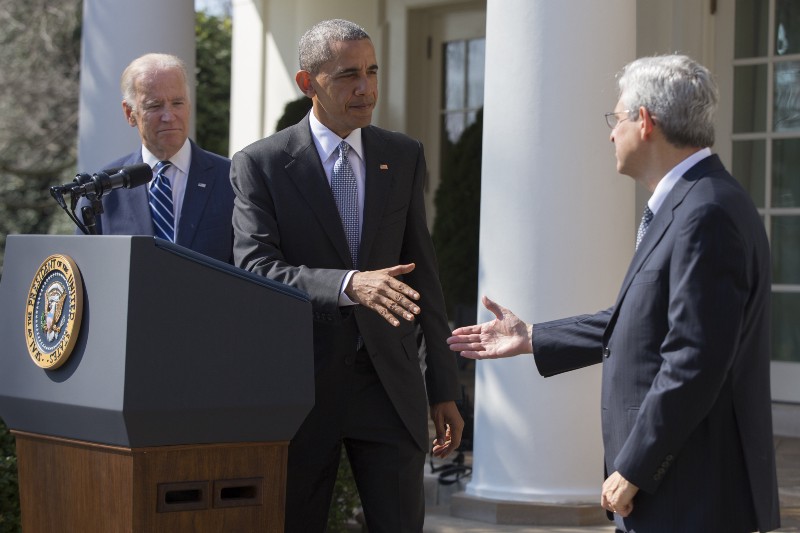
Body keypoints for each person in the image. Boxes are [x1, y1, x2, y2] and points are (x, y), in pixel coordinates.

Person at [447, 54, 780, 533]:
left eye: (617, 118)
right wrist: (533, 336)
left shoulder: (706, 212)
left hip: (693, 494)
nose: (611, 133)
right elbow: (642, 319)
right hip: (680, 493)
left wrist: (635, 466)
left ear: (645, 122)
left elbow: (695, 358)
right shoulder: (693, 202)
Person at [229, 19, 463, 532]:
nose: (367, 88)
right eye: (348, 75)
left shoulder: (402, 155)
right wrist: (347, 284)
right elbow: (255, 267)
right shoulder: (260, 165)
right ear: (307, 83)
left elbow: (424, 272)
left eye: (373, 71)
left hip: (389, 384)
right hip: (302, 386)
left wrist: (443, 386)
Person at [76, 53, 234, 263]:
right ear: (129, 113)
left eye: (177, 103)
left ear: (188, 105)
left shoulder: (232, 180)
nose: (169, 116)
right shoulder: (102, 190)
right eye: (154, 106)